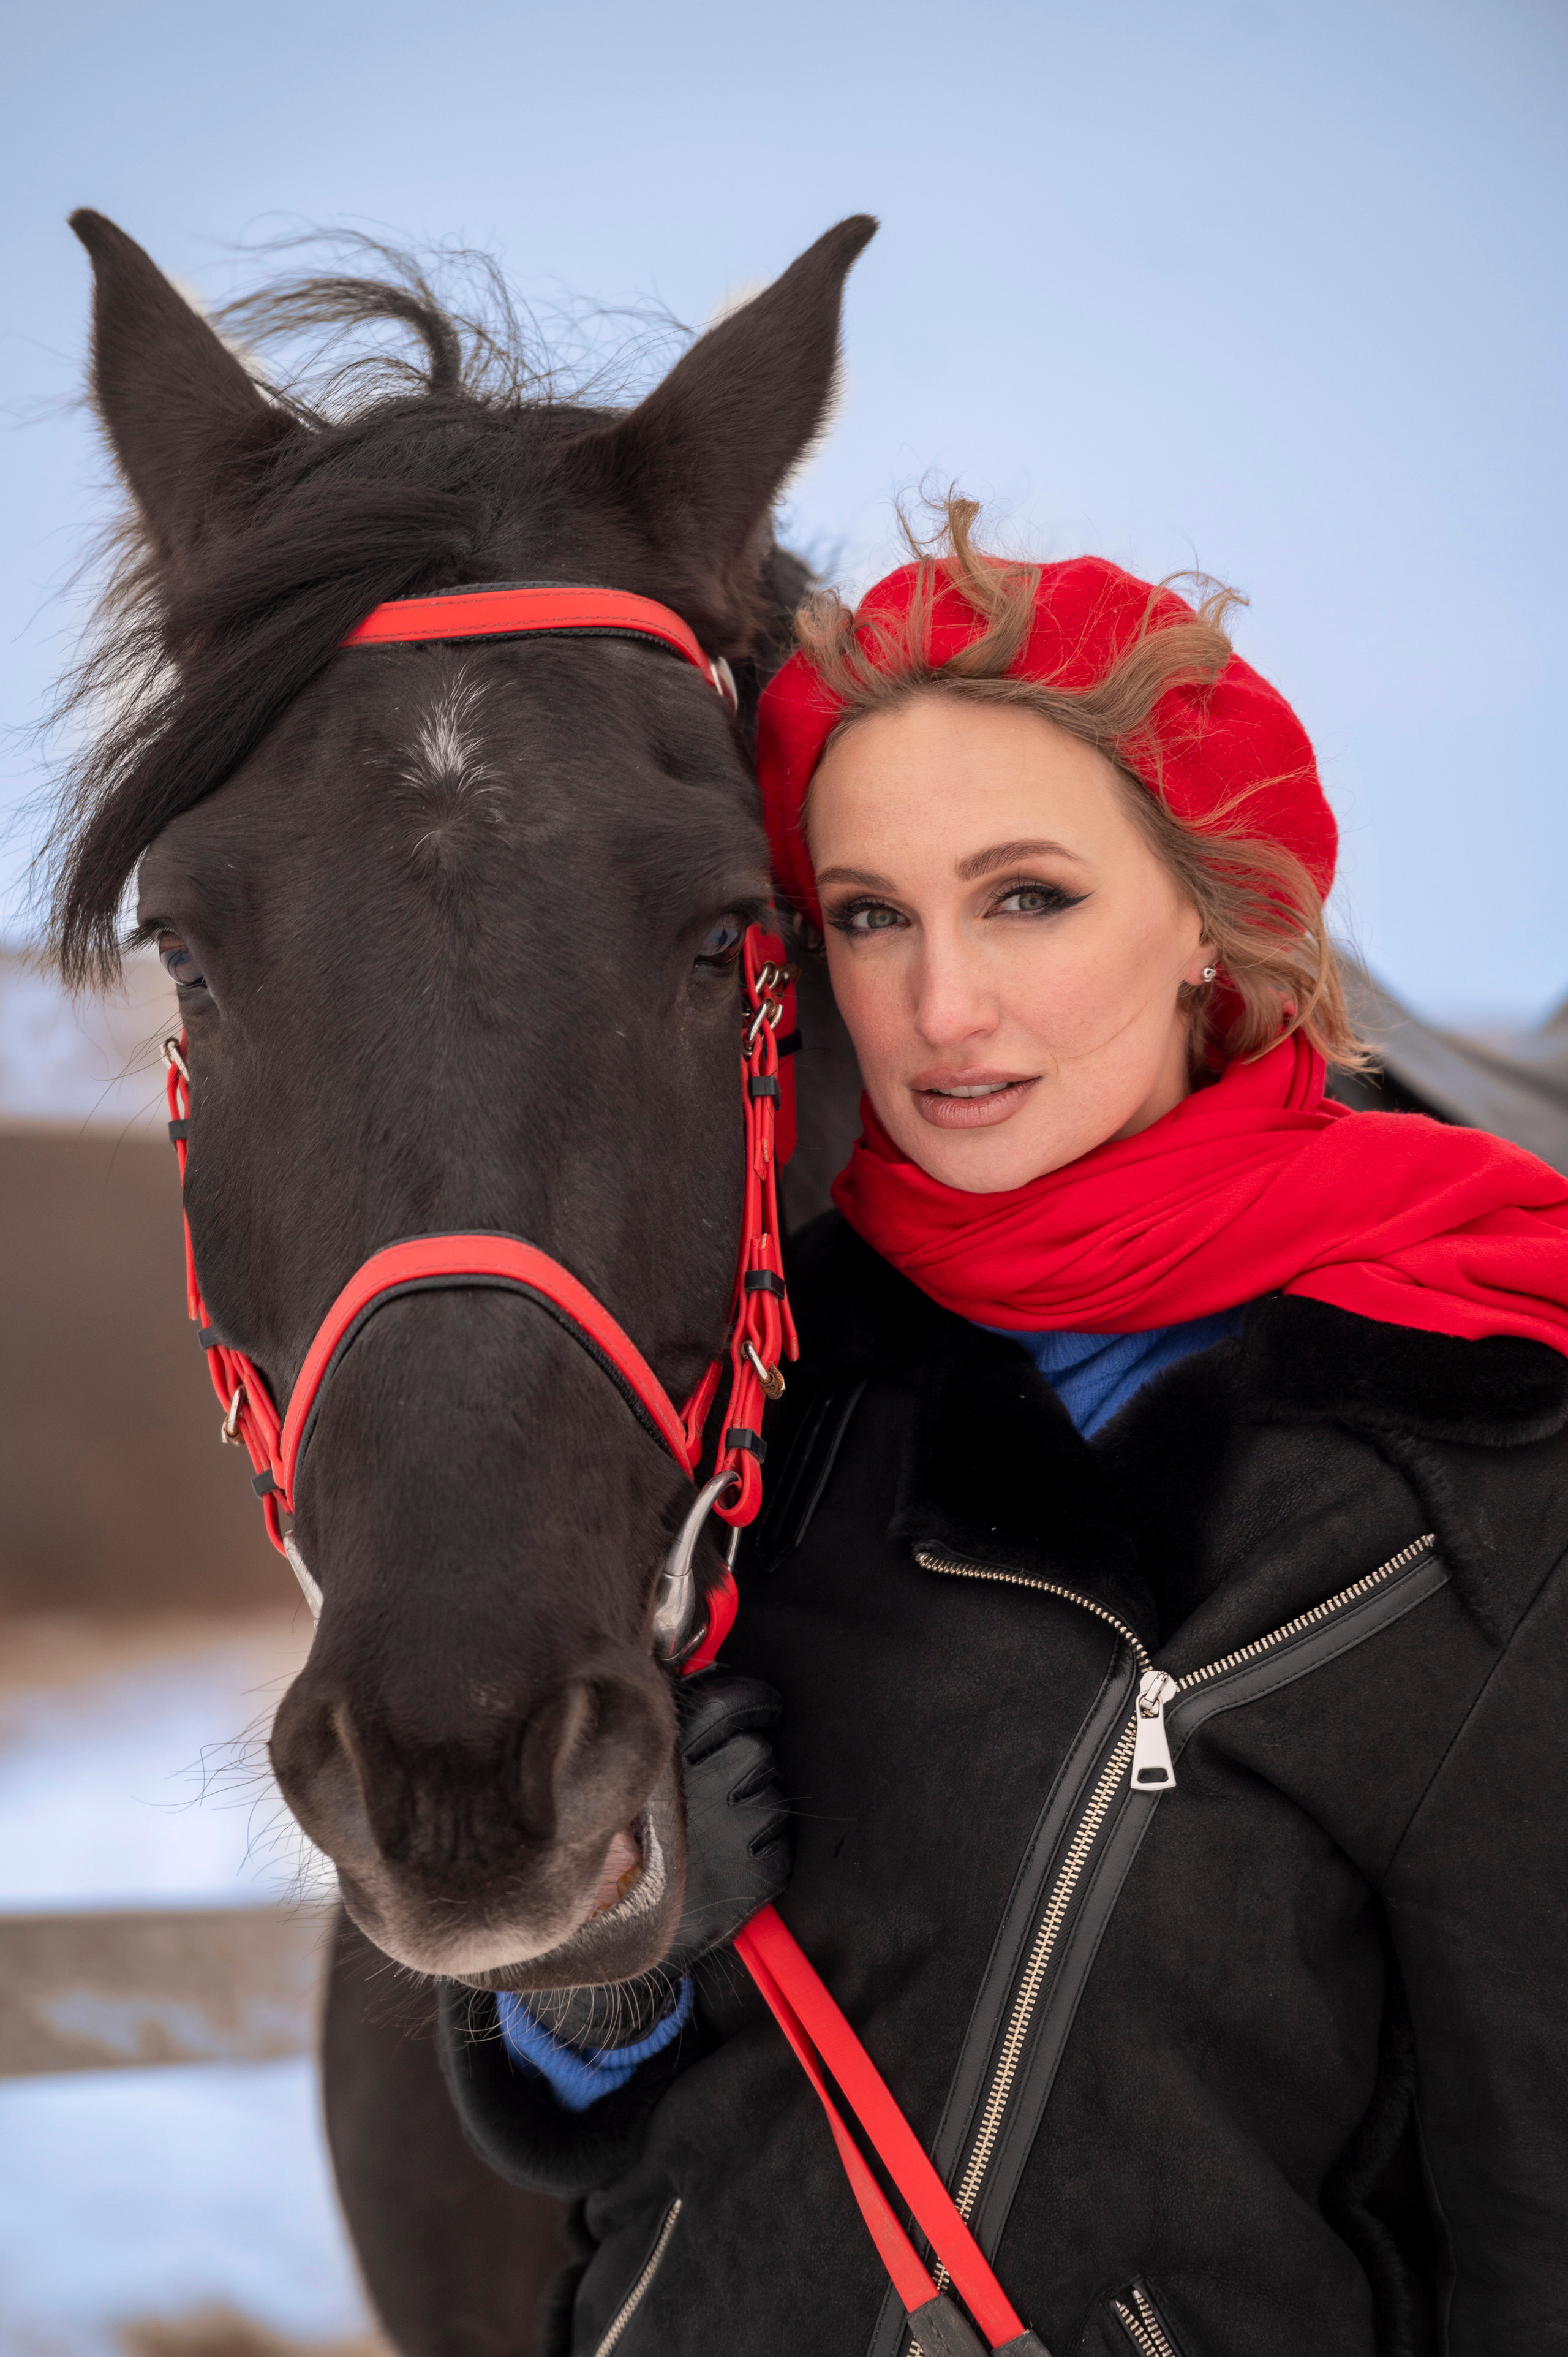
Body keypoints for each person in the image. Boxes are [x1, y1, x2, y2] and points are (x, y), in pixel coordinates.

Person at [439, 501, 1568, 2355]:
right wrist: (599, 1967)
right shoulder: (745, 1400)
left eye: (1027, 898)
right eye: (872, 917)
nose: (942, 1009)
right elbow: (581, 2130)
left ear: (1212, 918)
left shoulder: (1484, 1461)